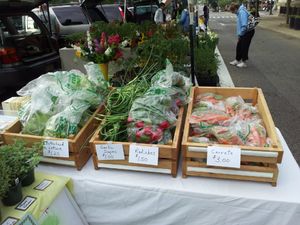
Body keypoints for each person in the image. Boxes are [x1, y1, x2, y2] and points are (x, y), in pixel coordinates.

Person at [229, 2, 255, 68]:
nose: (233, 13)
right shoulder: (240, 12)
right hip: (245, 31)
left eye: (233, 11)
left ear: (235, 9)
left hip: (247, 31)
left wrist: (240, 34)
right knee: (239, 46)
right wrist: (239, 35)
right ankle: (237, 60)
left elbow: (244, 25)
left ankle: (244, 62)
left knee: (244, 46)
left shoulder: (241, 12)